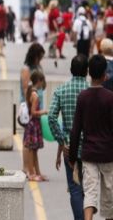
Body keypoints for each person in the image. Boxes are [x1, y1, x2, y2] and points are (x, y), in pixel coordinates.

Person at [69, 55, 113, 220]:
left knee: (90, 192)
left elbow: (76, 130)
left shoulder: (83, 97)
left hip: (88, 153)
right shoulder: (110, 98)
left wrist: (73, 157)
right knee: (109, 195)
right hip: (108, 154)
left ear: (89, 74)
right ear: (104, 75)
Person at [48, 55, 89, 219]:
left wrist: (61, 139)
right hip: (89, 148)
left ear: (71, 70)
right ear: (87, 71)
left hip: (69, 148)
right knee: (88, 188)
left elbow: (51, 117)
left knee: (74, 188)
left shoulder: (61, 90)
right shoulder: (90, 91)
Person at [20, 42, 46, 174]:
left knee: (33, 142)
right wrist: (31, 108)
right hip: (29, 108)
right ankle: (26, 167)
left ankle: (35, 169)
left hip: (36, 106)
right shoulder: (26, 69)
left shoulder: (38, 66)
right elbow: (26, 89)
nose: (40, 59)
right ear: (34, 56)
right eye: (39, 56)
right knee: (28, 141)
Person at [23, 70, 48, 182]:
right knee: (32, 149)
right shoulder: (35, 95)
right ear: (39, 81)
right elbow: (33, 112)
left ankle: (37, 172)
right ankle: (32, 173)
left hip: (31, 124)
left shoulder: (30, 91)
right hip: (34, 123)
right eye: (42, 82)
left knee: (34, 149)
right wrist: (44, 112)